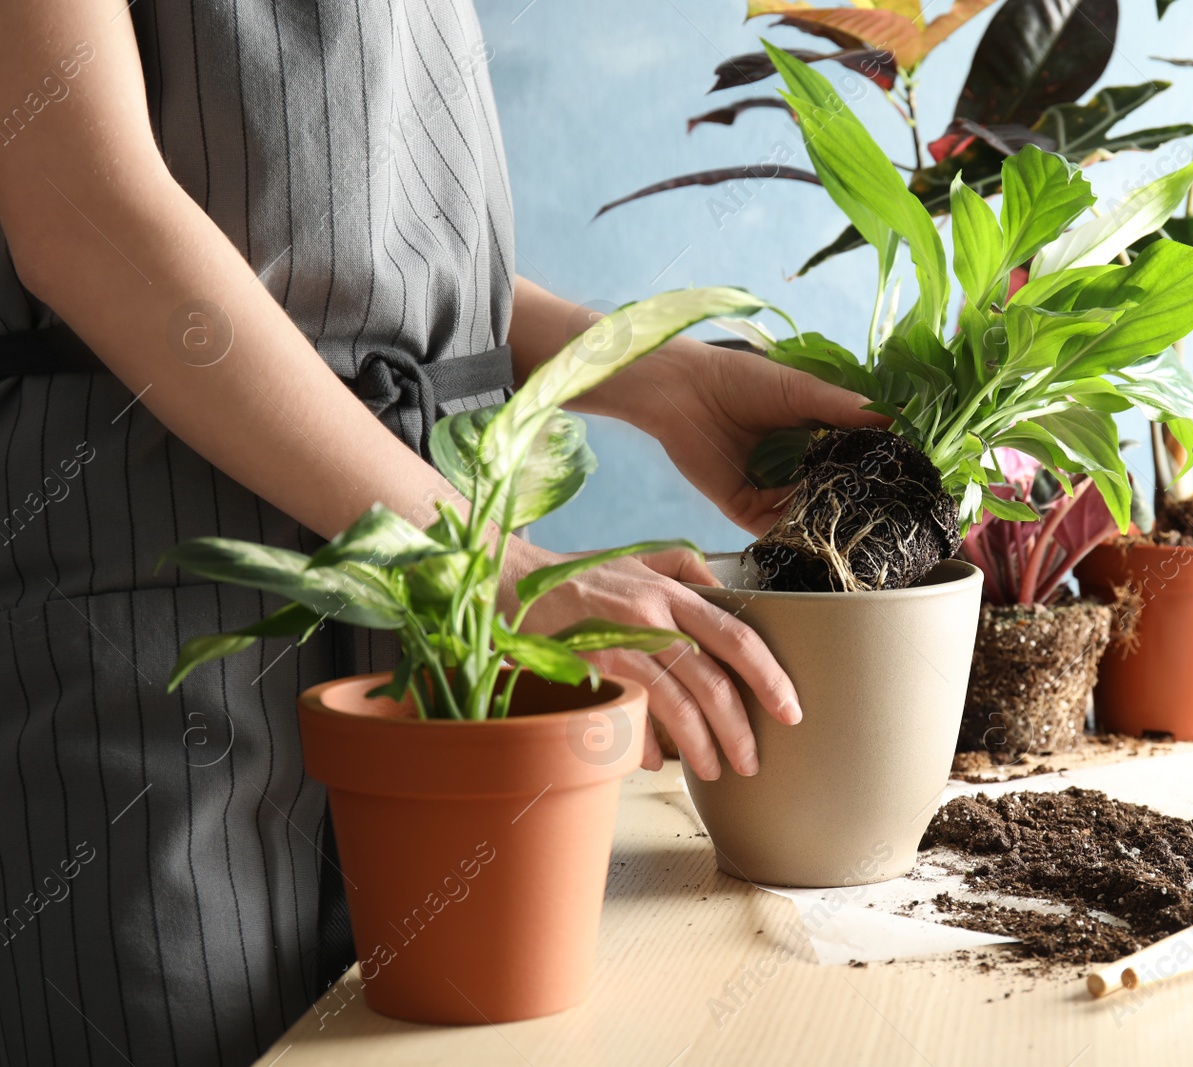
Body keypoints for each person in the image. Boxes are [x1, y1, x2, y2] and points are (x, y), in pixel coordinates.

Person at [0, 2, 880, 1063]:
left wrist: (656, 379)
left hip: (435, 593)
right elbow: (81, 205)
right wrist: (495, 564)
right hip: (165, 578)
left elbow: (351, 246)